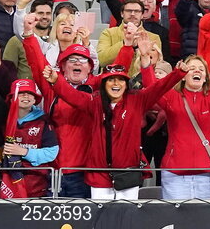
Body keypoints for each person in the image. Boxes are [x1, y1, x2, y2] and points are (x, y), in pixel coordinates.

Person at [47, 56, 186, 200]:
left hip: (128, 173)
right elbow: (72, 95)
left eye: (120, 79)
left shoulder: (137, 100)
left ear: (126, 84)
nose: (116, 83)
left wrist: (178, 73)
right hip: (99, 174)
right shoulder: (94, 102)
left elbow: (160, 87)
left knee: (127, 217)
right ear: (104, 84)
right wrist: (57, 81)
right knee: (102, 217)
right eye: (110, 79)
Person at [143, 28, 210, 199]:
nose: (197, 71)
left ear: (206, 77)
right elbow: (152, 86)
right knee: (176, 222)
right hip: (175, 174)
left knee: (203, 224)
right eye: (192, 68)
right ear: (183, 75)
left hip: (207, 175)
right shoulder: (172, 97)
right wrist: (145, 60)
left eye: (201, 69)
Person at [2, 79, 59, 196]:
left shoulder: (43, 121)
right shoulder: (3, 119)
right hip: (8, 182)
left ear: (34, 100)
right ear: (12, 98)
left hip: (37, 185)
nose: (26, 96)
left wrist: (24, 151)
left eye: (30, 93)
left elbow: (52, 152)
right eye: (21, 93)